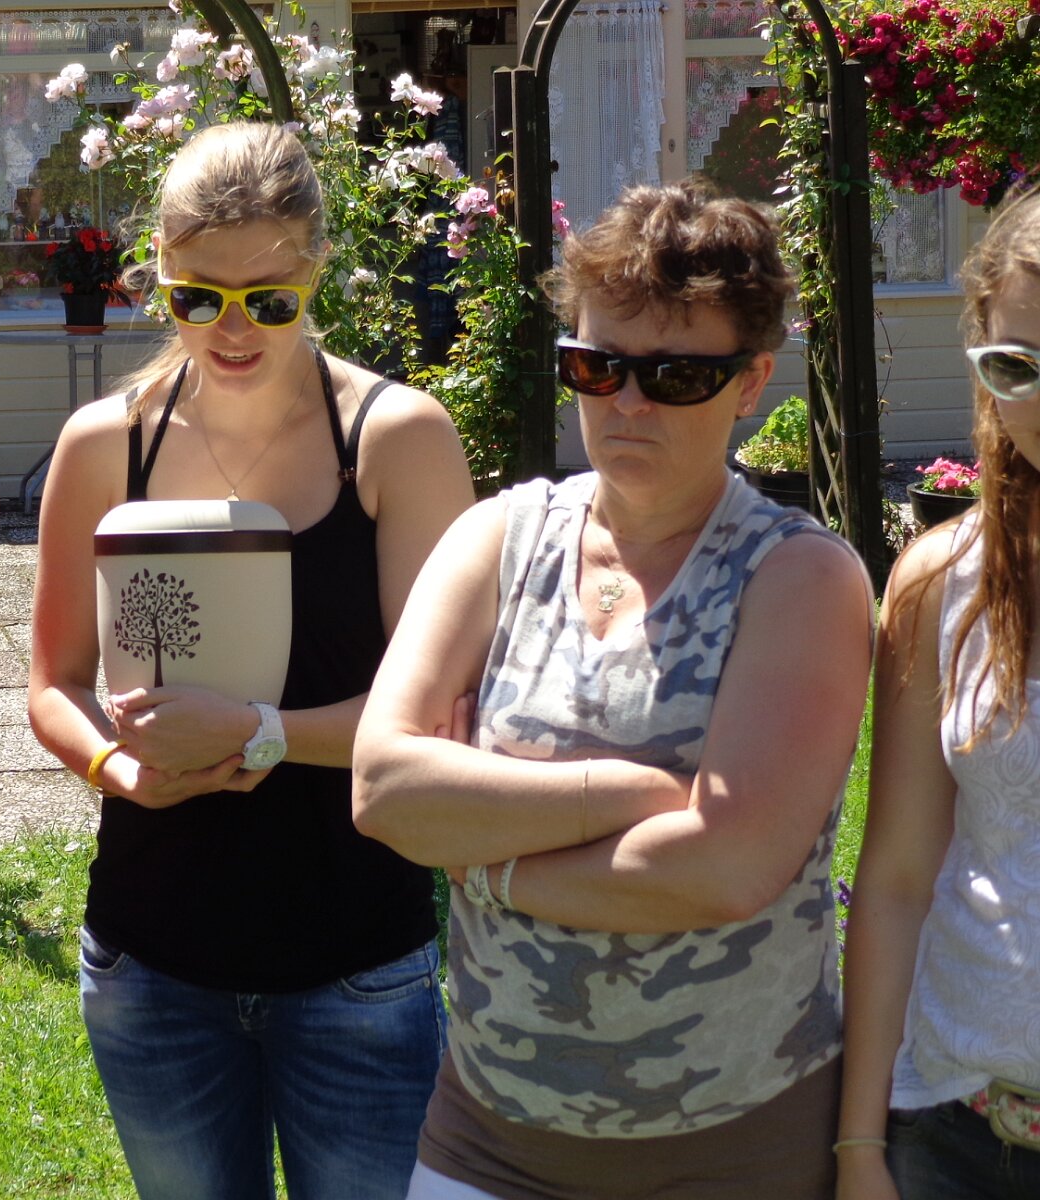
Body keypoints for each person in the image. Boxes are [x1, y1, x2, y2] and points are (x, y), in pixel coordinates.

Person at [353, 181, 874, 1199]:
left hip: (736, 1147)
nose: (628, 403)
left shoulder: (797, 576)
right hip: (487, 1136)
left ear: (750, 383)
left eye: (676, 375)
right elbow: (381, 790)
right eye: (597, 366)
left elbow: (727, 865)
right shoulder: (496, 540)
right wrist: (631, 795)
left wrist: (483, 860)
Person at [27, 120, 476, 1200]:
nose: (232, 330)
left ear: (316, 270)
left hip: (356, 959)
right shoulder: (106, 444)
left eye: (268, 300)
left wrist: (257, 734)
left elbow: (438, 714)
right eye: (198, 299)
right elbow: (53, 683)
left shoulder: (396, 439)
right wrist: (116, 768)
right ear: (158, 275)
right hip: (151, 958)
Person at [836, 188, 1040, 1200]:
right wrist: (859, 1144)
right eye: (1017, 367)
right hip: (960, 1135)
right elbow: (896, 879)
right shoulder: (936, 583)